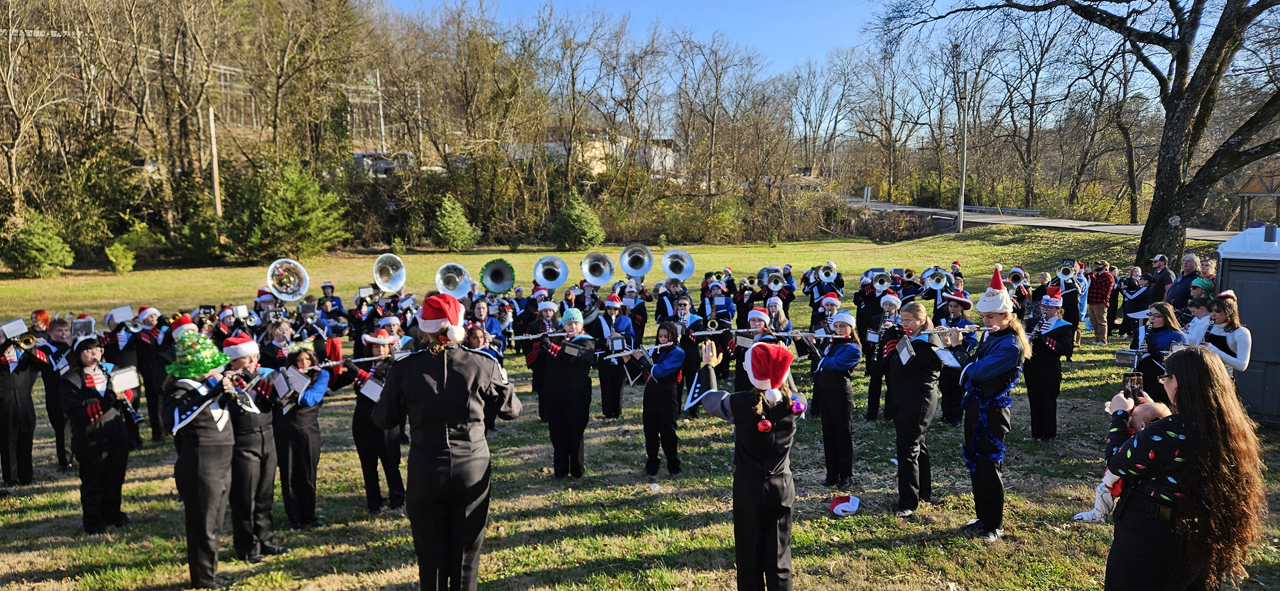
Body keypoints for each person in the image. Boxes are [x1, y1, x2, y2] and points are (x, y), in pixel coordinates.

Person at [372, 293, 521, 590]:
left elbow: (383, 419)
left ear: (424, 329)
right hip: (472, 464)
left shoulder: (404, 368)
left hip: (426, 466)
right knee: (467, 556)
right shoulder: (483, 363)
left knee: (430, 555)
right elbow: (511, 410)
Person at [1102, 347, 1265, 590]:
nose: (1163, 383)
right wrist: (1159, 412)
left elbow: (1116, 462)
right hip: (1202, 534)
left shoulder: (1168, 431)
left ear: (1176, 380)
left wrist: (1119, 415)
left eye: (1164, 377)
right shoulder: (1231, 428)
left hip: (1150, 535)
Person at [696, 340, 805, 591]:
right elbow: (793, 392)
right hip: (781, 484)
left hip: (748, 485)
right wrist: (782, 365)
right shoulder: (796, 403)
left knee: (748, 555)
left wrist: (708, 367)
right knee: (780, 557)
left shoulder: (738, 403)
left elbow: (709, 399)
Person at [939, 265, 1031, 543]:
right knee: (976, 465)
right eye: (983, 316)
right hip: (976, 407)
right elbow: (972, 365)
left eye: (990, 317)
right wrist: (954, 346)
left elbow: (976, 371)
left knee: (990, 468)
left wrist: (958, 348)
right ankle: (982, 517)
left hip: (992, 412)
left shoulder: (1010, 345)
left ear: (1006, 315)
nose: (985, 321)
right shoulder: (992, 335)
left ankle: (995, 524)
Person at [165, 330, 236, 589]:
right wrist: (209, 395)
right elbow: (174, 420)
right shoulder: (180, 387)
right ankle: (203, 580)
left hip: (222, 461)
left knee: (215, 522)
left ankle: (210, 574)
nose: (217, 369)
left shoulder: (209, 384)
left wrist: (230, 395)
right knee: (202, 525)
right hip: (202, 462)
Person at [219, 334, 288, 563]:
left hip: (267, 435)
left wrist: (256, 379)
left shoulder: (264, 376)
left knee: (265, 494)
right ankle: (247, 545)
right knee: (244, 496)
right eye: (246, 358)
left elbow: (278, 400)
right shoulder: (224, 379)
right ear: (233, 361)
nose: (252, 362)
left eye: (254, 357)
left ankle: (266, 539)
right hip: (242, 440)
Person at [59, 336, 133, 534]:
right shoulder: (70, 380)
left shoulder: (112, 371)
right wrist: (108, 400)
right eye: (87, 350)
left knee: (115, 475)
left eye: (97, 349)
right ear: (78, 355)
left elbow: (131, 394)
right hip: (89, 436)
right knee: (93, 479)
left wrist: (124, 393)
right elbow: (77, 413)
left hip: (115, 430)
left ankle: (113, 513)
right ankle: (94, 520)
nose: (94, 354)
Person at [329, 328, 406, 513]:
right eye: (376, 347)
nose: (380, 351)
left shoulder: (394, 368)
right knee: (368, 462)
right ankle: (374, 503)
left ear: (390, 349)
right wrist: (331, 367)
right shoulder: (362, 366)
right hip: (363, 421)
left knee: (390, 462)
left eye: (384, 347)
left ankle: (398, 500)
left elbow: (378, 390)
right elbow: (335, 385)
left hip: (386, 421)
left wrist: (355, 371)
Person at [1073, 401, 1171, 523]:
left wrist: (1108, 479)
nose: (1129, 421)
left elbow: (1118, 460)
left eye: (1132, 419)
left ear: (1142, 426)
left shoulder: (1138, 442)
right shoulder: (1166, 440)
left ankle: (1098, 514)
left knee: (1103, 490)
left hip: (1121, 477)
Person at [888, 302, 941, 518]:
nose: (904, 324)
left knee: (908, 448)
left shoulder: (927, 342)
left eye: (908, 321)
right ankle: (923, 492)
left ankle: (908, 502)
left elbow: (902, 365)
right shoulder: (913, 337)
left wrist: (894, 346)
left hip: (919, 400)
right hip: (907, 397)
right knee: (918, 445)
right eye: (902, 320)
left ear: (921, 320)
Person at [529, 308, 595, 478]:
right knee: (557, 432)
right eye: (569, 323)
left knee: (574, 432)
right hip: (554, 393)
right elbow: (537, 364)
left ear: (581, 324)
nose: (572, 326)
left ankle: (577, 470)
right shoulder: (556, 339)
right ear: (564, 325)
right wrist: (535, 344)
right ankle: (560, 471)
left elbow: (569, 356)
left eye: (576, 323)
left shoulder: (587, 342)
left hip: (576, 395)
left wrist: (548, 345)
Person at [273, 348, 329, 530]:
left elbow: (311, 398)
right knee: (288, 474)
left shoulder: (321, 375)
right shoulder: (282, 375)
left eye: (307, 359)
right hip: (284, 429)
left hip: (308, 430)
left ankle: (309, 516)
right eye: (299, 359)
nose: (303, 363)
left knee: (307, 473)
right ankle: (294, 518)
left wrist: (292, 393)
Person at [804, 310, 860, 489]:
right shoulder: (831, 343)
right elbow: (817, 359)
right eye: (836, 326)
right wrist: (804, 341)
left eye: (842, 326)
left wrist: (814, 348)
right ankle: (832, 474)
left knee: (842, 435)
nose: (838, 330)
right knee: (828, 434)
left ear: (851, 328)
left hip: (841, 394)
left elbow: (830, 363)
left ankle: (846, 475)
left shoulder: (853, 349)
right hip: (825, 392)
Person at [625, 322, 686, 478]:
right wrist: (628, 359)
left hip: (668, 396)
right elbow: (642, 375)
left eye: (666, 336)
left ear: (674, 336)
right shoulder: (655, 350)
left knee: (668, 432)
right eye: (660, 336)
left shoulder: (678, 353)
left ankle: (674, 466)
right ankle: (652, 465)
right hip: (651, 395)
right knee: (650, 431)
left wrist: (643, 359)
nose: (663, 339)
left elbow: (659, 371)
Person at [1024, 287, 1076, 442]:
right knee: (1034, 399)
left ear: (1058, 309)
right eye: (1043, 307)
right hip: (1032, 366)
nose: (1045, 311)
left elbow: (1066, 349)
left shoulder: (1064, 326)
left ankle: (1049, 434)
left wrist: (1045, 339)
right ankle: (1036, 433)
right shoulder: (1032, 322)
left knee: (1048, 400)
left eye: (1049, 308)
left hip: (1050, 368)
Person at [0, 327, 49, 488]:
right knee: (8, 442)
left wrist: (28, 348)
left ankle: (27, 476)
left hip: (25, 402)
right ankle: (11, 479)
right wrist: (5, 346)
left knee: (26, 439)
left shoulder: (23, 356)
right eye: (2, 336)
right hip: (4, 403)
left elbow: (45, 362)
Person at [588, 294, 635, 420]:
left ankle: (617, 412)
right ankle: (607, 412)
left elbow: (632, 337)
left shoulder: (626, 320)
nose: (612, 311)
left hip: (620, 356)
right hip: (605, 356)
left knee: (619, 384)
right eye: (610, 309)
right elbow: (594, 340)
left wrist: (621, 336)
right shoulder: (600, 320)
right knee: (606, 384)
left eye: (615, 309)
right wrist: (605, 343)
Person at [38, 318, 75, 473]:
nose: (64, 334)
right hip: (55, 395)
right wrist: (67, 346)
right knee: (62, 430)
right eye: (59, 331)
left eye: (66, 331)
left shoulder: (74, 346)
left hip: (73, 393)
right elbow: (52, 363)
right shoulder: (45, 348)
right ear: (50, 332)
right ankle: (65, 463)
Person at [1131, 303, 1186, 405]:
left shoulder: (1176, 335)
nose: (1152, 318)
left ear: (1166, 317)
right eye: (1150, 314)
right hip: (1141, 372)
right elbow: (1133, 350)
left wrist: (1152, 351)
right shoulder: (1141, 331)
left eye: (1157, 316)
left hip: (1162, 375)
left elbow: (1177, 360)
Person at [936, 294, 977, 426]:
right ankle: (945, 416)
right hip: (945, 360)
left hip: (960, 362)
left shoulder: (969, 325)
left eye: (956, 307)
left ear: (962, 308)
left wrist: (956, 337)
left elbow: (971, 345)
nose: (952, 309)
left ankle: (956, 418)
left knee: (957, 391)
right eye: (950, 306)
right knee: (945, 389)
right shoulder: (942, 321)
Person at [864, 294, 902, 422]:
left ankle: (889, 414)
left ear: (896, 307)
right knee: (874, 384)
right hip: (878, 354)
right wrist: (877, 333)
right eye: (886, 305)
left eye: (891, 305)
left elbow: (902, 336)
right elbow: (869, 337)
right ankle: (871, 413)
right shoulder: (876, 319)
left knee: (891, 384)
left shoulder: (900, 320)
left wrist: (893, 328)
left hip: (892, 355)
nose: (888, 307)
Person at [1203, 294, 1251, 379]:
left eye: (1217, 311)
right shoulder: (1207, 327)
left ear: (1230, 312)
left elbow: (1242, 366)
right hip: (1204, 377)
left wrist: (1213, 350)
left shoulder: (1241, 333)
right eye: (1211, 311)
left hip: (1225, 379)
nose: (1212, 315)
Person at [1086, 261, 1115, 346]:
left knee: (1101, 322)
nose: (1097, 266)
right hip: (1091, 301)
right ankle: (1097, 338)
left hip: (1100, 302)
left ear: (1105, 267)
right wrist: (1087, 273)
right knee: (1094, 322)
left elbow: (1097, 283)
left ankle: (1103, 340)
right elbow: (1088, 281)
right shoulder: (1095, 276)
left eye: (1099, 264)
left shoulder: (1108, 276)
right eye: (1097, 265)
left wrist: (1090, 274)